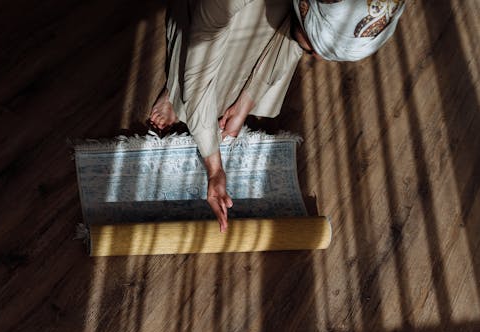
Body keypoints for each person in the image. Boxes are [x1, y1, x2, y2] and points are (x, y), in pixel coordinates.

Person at [149, 0, 406, 232]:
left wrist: (244, 104)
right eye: (316, 49)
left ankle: (187, 93)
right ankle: (174, 87)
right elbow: (200, 66)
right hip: (209, 13)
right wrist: (214, 169)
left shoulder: (308, 12)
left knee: (284, 29)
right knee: (195, 65)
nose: (317, 57)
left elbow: (293, 35)